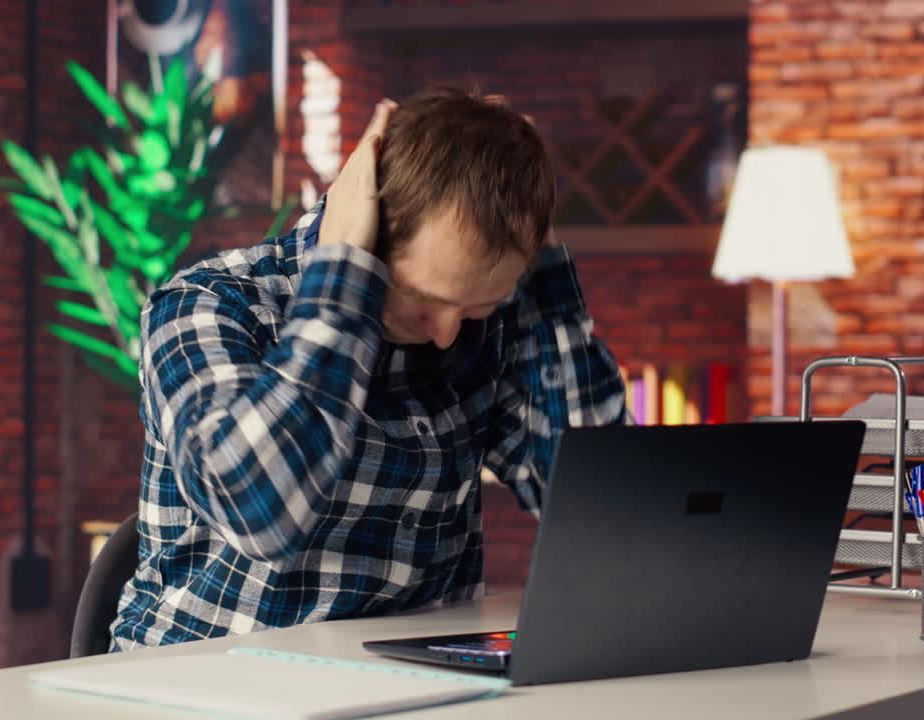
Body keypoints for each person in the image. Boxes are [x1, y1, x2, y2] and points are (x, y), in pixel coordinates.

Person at [110, 87, 626, 650]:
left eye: (479, 305)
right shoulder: (207, 305)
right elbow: (256, 510)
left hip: (408, 684)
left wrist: (541, 281)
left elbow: (598, 505)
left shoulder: (486, 326)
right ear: (368, 232)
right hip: (201, 678)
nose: (447, 333)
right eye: (421, 299)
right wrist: (342, 286)